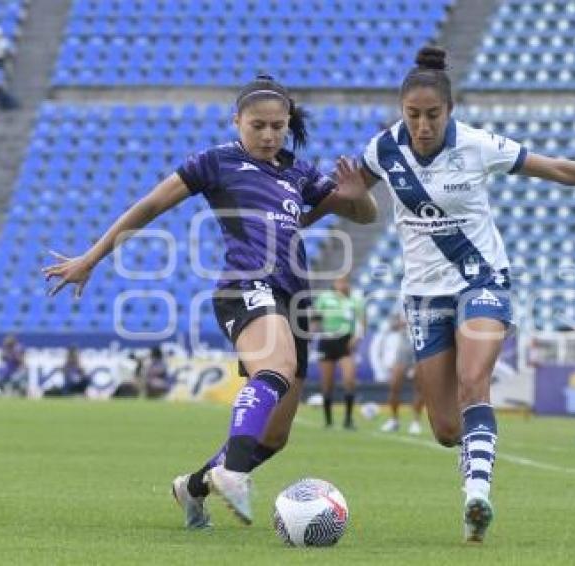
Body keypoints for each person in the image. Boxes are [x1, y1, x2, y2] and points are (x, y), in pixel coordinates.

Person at [311, 46, 575, 542]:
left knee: (473, 379)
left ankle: (476, 495)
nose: (422, 125)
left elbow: (557, 169)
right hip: (422, 296)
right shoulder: (382, 151)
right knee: (444, 428)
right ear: (401, 112)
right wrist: (301, 215)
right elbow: (344, 199)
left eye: (432, 115)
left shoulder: (479, 145)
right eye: (413, 115)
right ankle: (473, 452)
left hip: (482, 280)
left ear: (450, 111)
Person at [42, 74, 377, 529]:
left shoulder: (299, 171)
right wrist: (93, 257)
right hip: (245, 285)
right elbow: (150, 206)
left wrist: (358, 199)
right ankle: (233, 474)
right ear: (236, 120)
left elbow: (358, 211)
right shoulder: (216, 162)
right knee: (273, 369)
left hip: (295, 299)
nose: (268, 134)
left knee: (275, 436)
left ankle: (192, 487)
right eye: (258, 125)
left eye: (278, 126)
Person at [313, 275, 364, 429]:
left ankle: (348, 419)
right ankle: (328, 421)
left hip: (345, 342)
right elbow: (315, 318)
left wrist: (356, 337)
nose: (343, 285)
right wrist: (313, 331)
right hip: (327, 341)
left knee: (349, 380)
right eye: (340, 282)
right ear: (334, 283)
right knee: (327, 384)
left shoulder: (354, 299)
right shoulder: (324, 297)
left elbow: (362, 320)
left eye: (345, 282)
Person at [380, 312, 424, 435]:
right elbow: (391, 323)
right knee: (394, 384)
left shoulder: (427, 299)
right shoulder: (402, 301)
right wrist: (399, 323)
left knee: (419, 386)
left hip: (421, 345)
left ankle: (416, 421)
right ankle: (394, 419)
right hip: (403, 347)